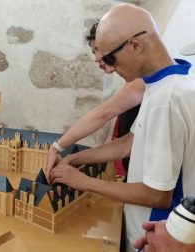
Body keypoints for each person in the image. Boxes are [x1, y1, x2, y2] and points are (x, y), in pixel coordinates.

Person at [49, 4, 195, 251]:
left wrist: (85, 182)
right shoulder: (162, 83)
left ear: (135, 45)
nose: (110, 67)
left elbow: (157, 195)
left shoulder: (166, 100)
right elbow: (130, 142)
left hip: (154, 238)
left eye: (109, 58)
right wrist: (75, 158)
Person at [46, 22, 144, 180]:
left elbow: (103, 114)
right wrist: (72, 158)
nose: (97, 58)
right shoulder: (138, 80)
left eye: (98, 50)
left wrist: (56, 147)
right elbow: (126, 144)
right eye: (94, 52)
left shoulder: (145, 80)